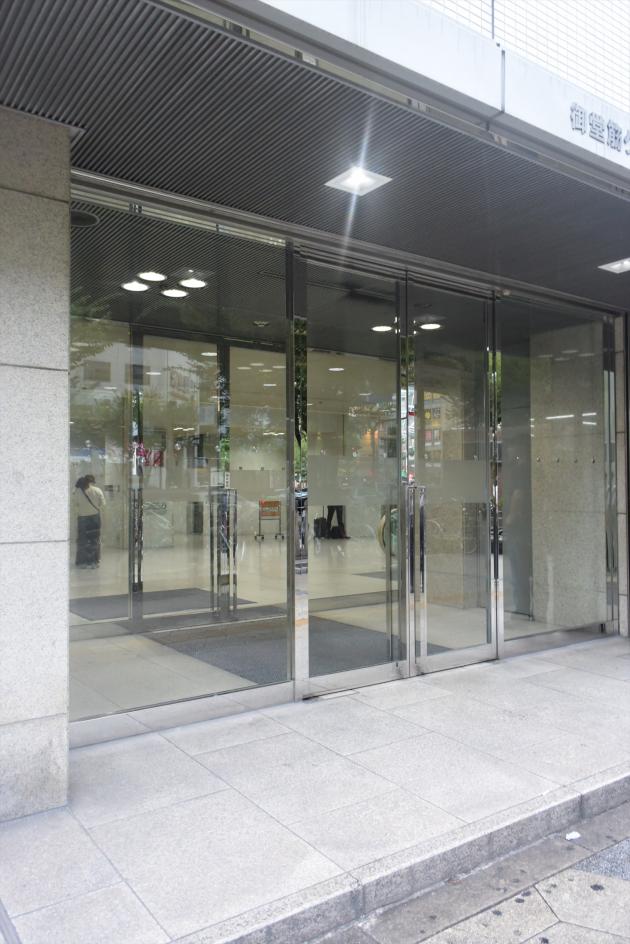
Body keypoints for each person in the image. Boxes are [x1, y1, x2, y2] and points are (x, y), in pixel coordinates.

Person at [75, 474, 106, 568]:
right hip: (94, 517)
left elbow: (75, 504)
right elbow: (103, 504)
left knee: (82, 540)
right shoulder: (97, 490)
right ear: (92, 481)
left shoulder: (77, 492)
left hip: (82, 517)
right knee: (94, 540)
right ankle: (94, 562)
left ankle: (82, 562)